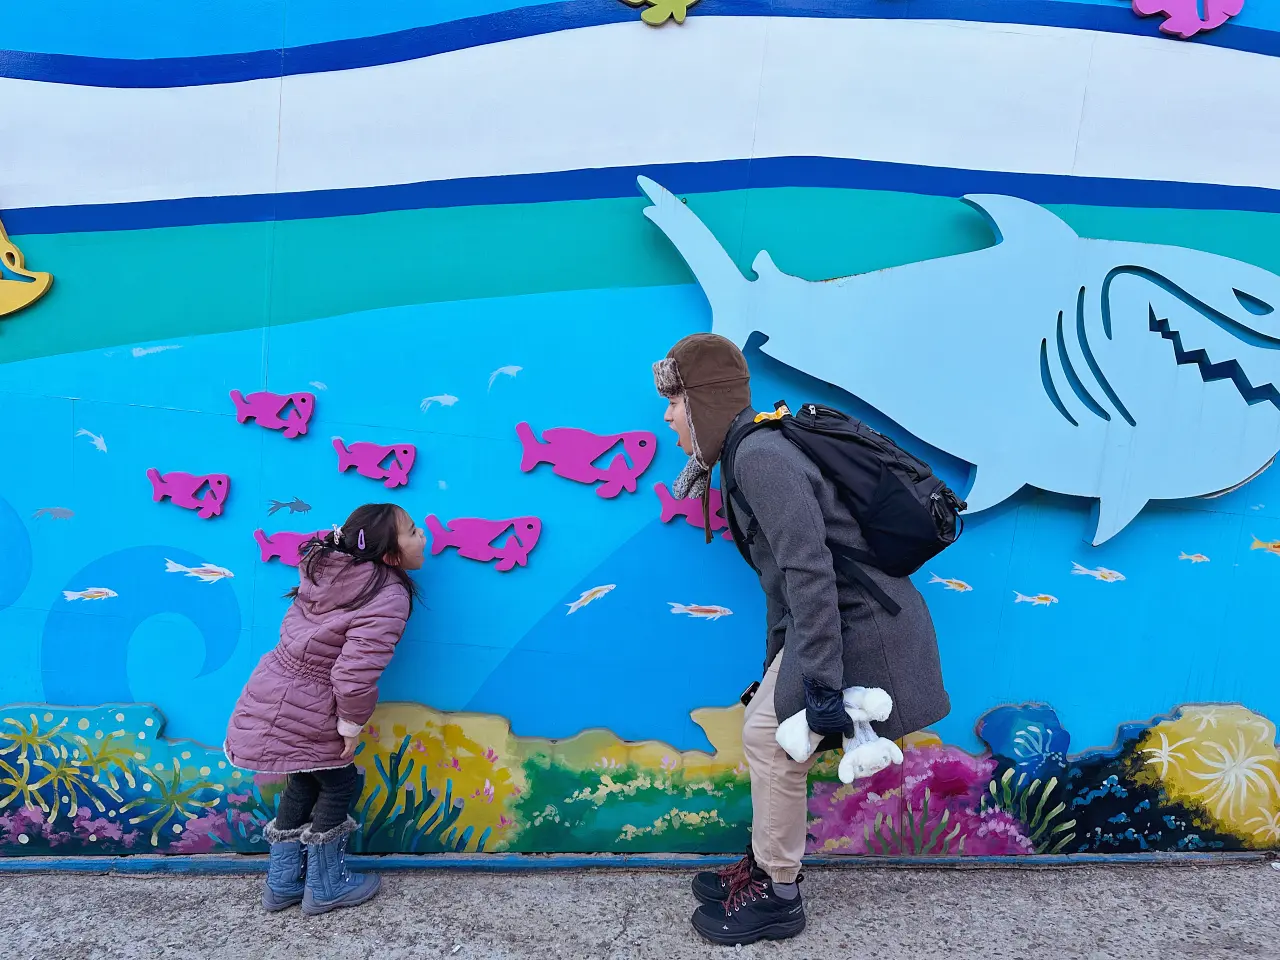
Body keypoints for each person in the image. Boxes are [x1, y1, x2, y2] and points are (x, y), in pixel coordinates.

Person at [653, 333, 950, 946]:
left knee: (771, 738)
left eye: (675, 400)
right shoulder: (744, 455)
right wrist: (775, 668)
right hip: (829, 620)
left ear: (702, 401)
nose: (667, 416)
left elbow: (809, 569)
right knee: (767, 730)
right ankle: (765, 869)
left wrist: (813, 682)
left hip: (862, 625)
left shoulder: (758, 457)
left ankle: (778, 894)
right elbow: (781, 581)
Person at [225, 503, 425, 916]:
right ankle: (327, 885)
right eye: (412, 531)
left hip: (275, 688)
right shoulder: (385, 593)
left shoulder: (328, 574)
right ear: (389, 553)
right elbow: (354, 672)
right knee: (338, 782)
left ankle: (282, 884)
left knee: (303, 780)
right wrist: (350, 725)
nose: (422, 536)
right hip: (310, 703)